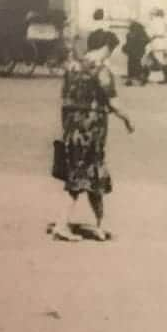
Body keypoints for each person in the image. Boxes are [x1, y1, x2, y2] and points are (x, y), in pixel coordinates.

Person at [51, 30, 133, 242]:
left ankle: (100, 224)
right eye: (111, 49)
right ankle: (61, 224)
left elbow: (65, 97)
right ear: (106, 47)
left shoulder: (72, 66)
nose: (110, 54)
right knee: (81, 177)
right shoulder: (102, 70)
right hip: (91, 131)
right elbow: (113, 102)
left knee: (94, 175)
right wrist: (127, 119)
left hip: (72, 127)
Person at [142, 7, 167, 84]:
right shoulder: (163, 21)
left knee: (157, 60)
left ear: (155, 14)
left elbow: (149, 33)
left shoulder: (153, 22)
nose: (150, 15)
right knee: (160, 60)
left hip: (156, 42)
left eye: (151, 14)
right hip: (163, 42)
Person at [122, 19, 149, 86]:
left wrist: (125, 49)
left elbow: (128, 44)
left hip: (131, 52)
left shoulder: (129, 34)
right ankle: (141, 77)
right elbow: (147, 40)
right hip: (140, 52)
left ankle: (130, 80)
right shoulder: (142, 33)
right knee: (138, 64)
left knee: (131, 65)